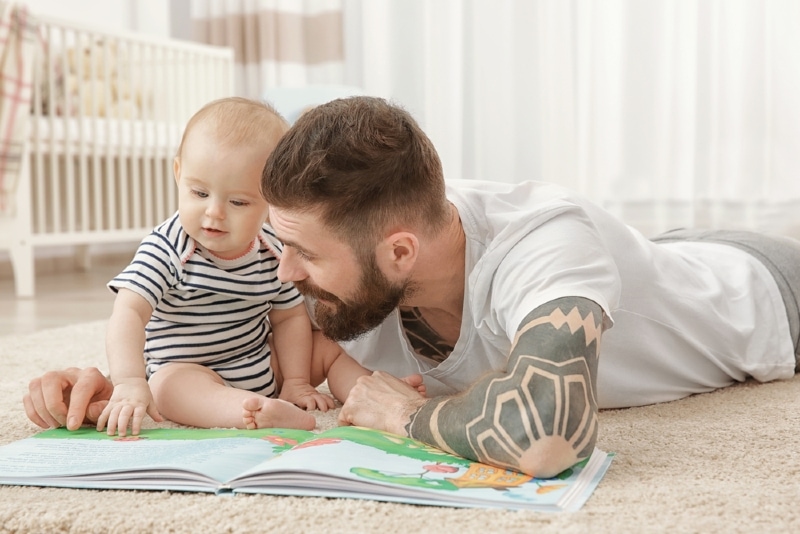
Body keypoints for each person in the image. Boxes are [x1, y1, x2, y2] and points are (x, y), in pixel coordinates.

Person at [24, 96, 800, 479]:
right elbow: (255, 347)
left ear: (401, 252)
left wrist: (412, 414)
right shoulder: (360, 244)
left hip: (763, 290)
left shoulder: (546, 246)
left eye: (299, 255)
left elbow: (548, 434)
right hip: (655, 260)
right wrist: (115, 382)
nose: (283, 273)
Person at [91, 96, 372, 437]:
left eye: (238, 201)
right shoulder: (166, 249)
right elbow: (128, 314)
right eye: (199, 193)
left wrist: (296, 381)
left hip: (260, 362)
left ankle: (367, 395)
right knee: (167, 388)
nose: (214, 212)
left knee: (328, 347)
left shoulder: (273, 249)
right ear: (179, 173)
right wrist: (130, 381)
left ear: (272, 199)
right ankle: (247, 412)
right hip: (191, 370)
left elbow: (288, 317)